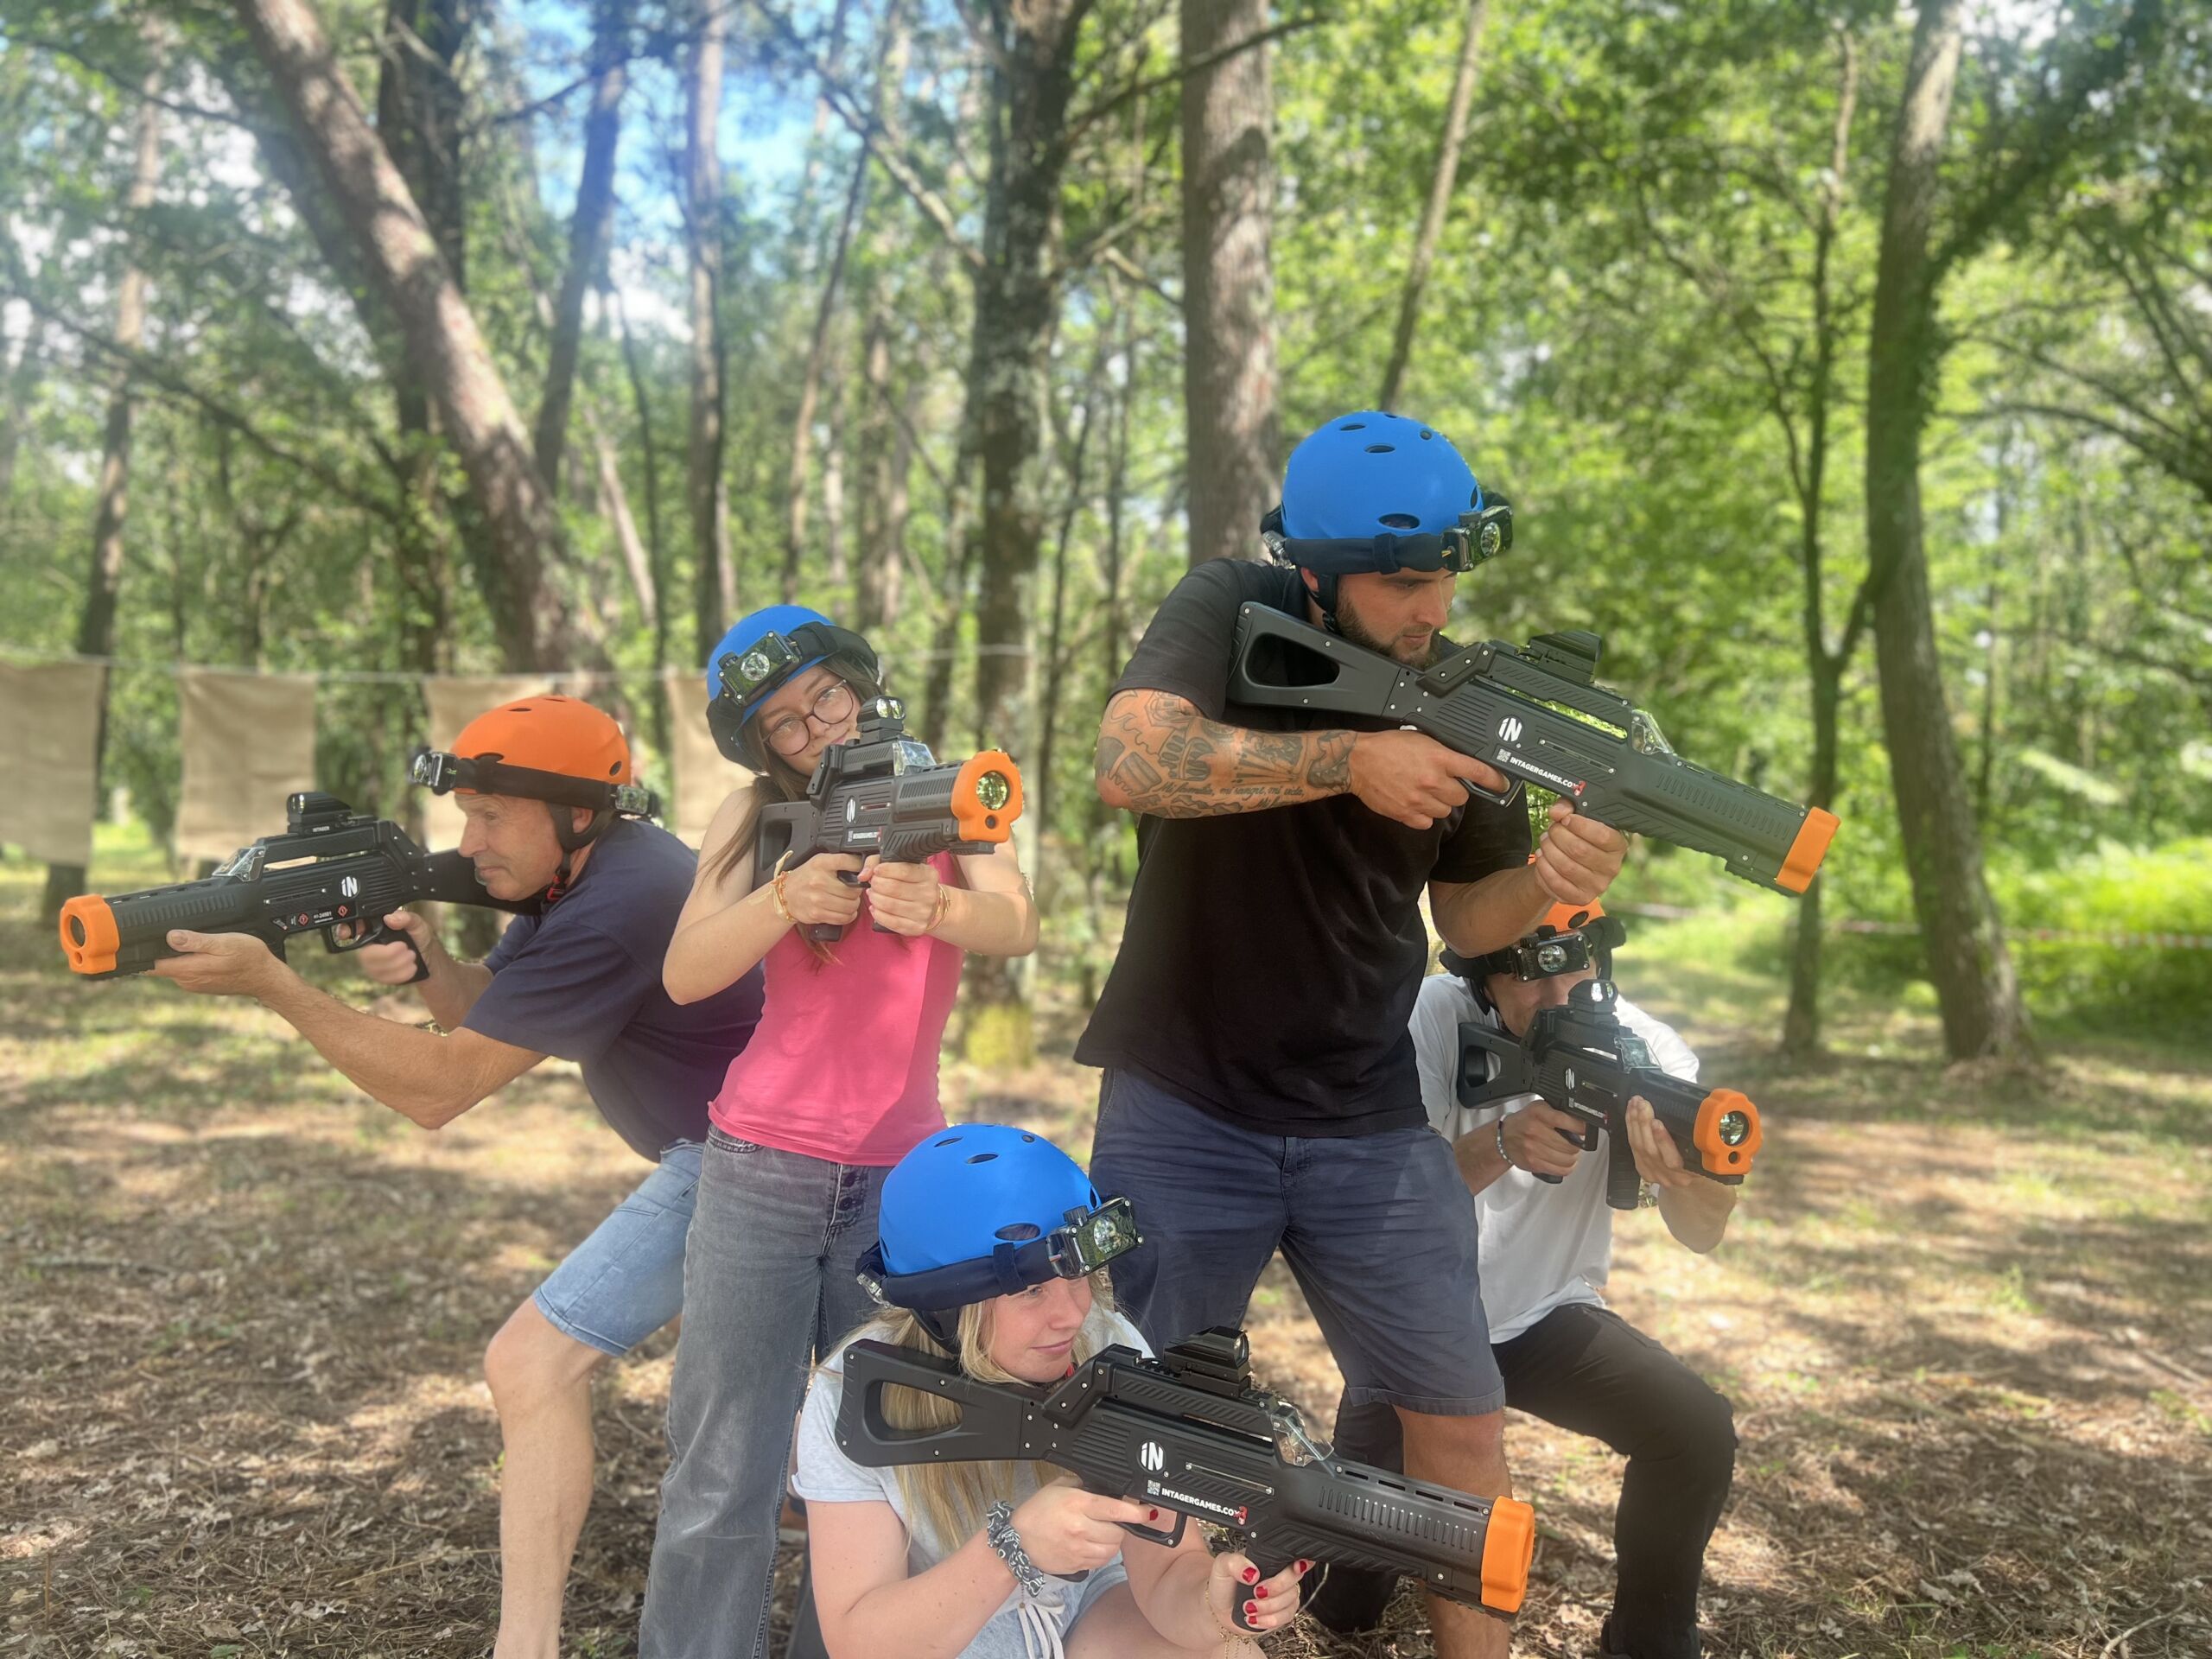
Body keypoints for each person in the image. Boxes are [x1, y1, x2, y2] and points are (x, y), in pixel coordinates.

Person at [1078, 410, 1629, 1659]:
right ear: (1318, 576)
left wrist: (1547, 880)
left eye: (1445, 578)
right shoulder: (1229, 603)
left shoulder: (1472, 698)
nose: (1434, 608)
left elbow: (1469, 919)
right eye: (1403, 583)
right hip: (1182, 1098)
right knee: (1161, 1427)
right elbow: (1130, 760)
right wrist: (1349, 760)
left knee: (1461, 1420)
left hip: (1369, 1119)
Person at [148, 693, 766, 1659]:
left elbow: (442, 1090)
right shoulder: (587, 875)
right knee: (780, 1380)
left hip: (750, 1160)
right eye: (465, 815)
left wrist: (277, 986)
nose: (468, 843)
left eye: (490, 817)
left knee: (531, 1365)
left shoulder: (620, 901)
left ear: (575, 813)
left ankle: (527, 1646)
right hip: (739, 1150)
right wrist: (433, 956)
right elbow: (491, 1011)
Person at [641, 607, 1039, 1659]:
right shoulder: (750, 816)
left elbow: (1017, 919)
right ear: (758, 745)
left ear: (859, 681)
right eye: (784, 720)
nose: (818, 724)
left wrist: (940, 910)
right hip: (759, 1168)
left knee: (877, 1460)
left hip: (900, 1183)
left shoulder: (945, 788)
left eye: (826, 694)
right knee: (722, 1465)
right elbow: (685, 974)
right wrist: (782, 897)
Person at [1311, 896, 1738, 1659]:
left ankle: (1651, 1640)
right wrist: (1501, 1143)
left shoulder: (1644, 1047)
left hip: (1545, 1315)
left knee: (1694, 1432)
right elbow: (1383, 1202)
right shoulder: (1426, 1017)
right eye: (1531, 977)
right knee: (1342, 1604)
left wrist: (1686, 1178)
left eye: (1577, 971)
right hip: (1417, 1327)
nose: (1557, 996)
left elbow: (1702, 1232)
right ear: (1481, 977)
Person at [795, 1123, 1308, 1659]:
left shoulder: (1106, 1346)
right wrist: (1009, 1550)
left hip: (1093, 1608)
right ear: (946, 1308)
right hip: (944, 1632)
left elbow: (1167, 1572)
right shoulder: (856, 1396)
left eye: (1079, 1276)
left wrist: (1213, 1607)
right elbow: (860, 1644)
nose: (1073, 1314)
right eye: (1033, 1290)